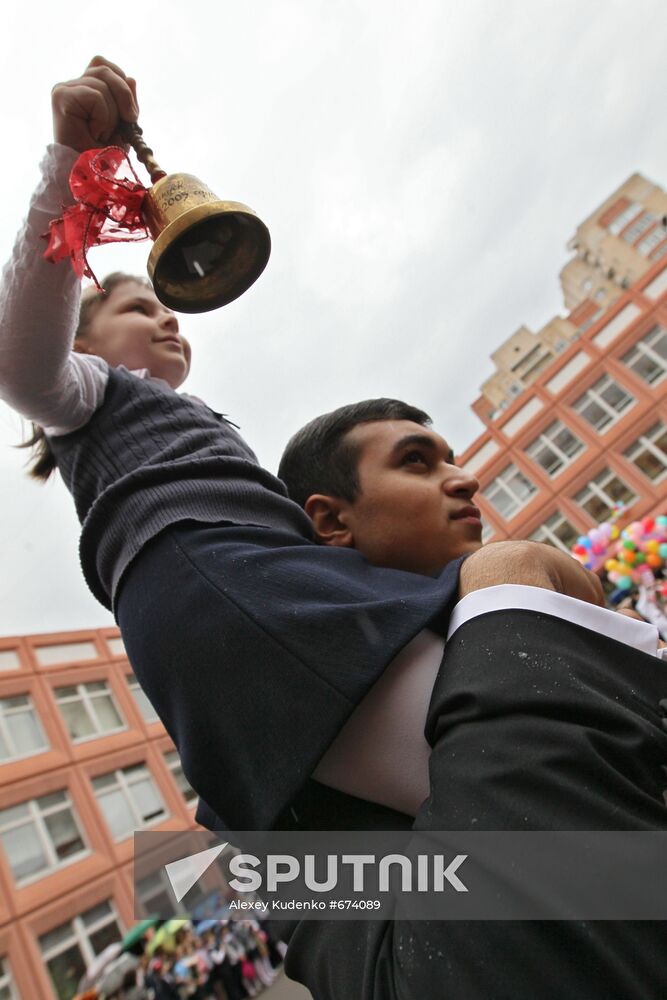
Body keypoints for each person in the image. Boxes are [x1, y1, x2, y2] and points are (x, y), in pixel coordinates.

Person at [2, 55, 666, 999]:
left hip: (267, 606)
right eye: (139, 306)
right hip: (240, 601)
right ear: (80, 337)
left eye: (167, 309)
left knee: (512, 790)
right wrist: (69, 162)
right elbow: (22, 361)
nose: (167, 319)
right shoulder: (86, 398)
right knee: (519, 632)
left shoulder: (183, 426)